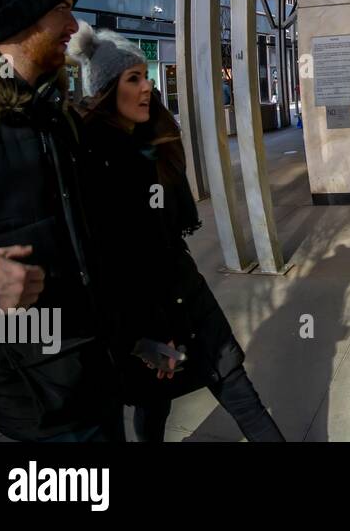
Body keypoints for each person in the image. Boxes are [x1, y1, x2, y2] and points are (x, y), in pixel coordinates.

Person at [69, 23, 284, 441]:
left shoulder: (155, 141)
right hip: (145, 315)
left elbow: (169, 228)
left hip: (187, 296)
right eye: (134, 79)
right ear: (108, 88)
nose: (147, 87)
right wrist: (137, 337)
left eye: (146, 76)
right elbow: (108, 261)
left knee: (238, 391)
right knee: (154, 403)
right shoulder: (94, 158)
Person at [0, 0, 122, 441]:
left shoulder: (53, 113)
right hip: (33, 395)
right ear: (25, 16)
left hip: (91, 366)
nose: (75, 26)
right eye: (63, 9)